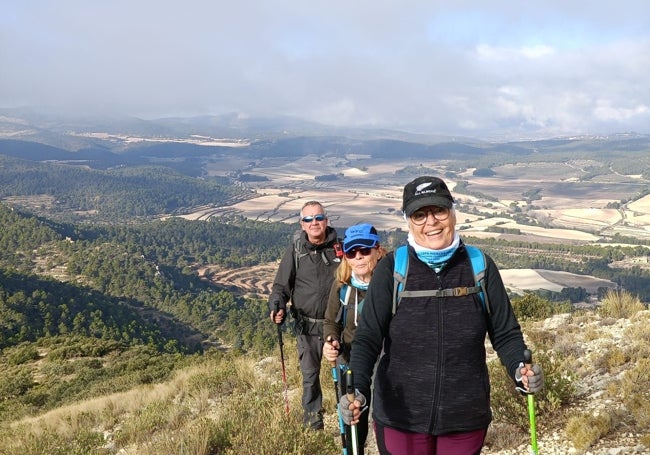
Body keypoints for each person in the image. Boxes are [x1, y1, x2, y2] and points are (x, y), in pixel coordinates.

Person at [339, 176, 544, 455]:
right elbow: (367, 339)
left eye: (439, 210)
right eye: (419, 214)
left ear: (453, 213)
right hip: (401, 418)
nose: (431, 222)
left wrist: (520, 369)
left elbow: (505, 333)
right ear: (408, 221)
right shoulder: (392, 269)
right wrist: (359, 390)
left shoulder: (479, 266)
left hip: (465, 417)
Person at [269, 200, 342, 430]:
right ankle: (313, 422)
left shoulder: (341, 249)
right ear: (302, 224)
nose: (314, 223)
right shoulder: (296, 251)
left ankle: (349, 417)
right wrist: (277, 306)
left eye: (318, 218)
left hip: (337, 326)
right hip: (307, 328)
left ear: (326, 220)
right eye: (308, 219)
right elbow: (281, 287)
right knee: (310, 377)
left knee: (345, 375)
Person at [323, 223, 387, 454]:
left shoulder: (391, 283)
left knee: (385, 416)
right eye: (352, 253)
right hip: (350, 360)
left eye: (364, 251)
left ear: (378, 251)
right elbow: (331, 321)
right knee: (354, 416)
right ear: (346, 257)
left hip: (386, 362)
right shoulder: (342, 286)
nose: (358, 257)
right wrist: (330, 340)